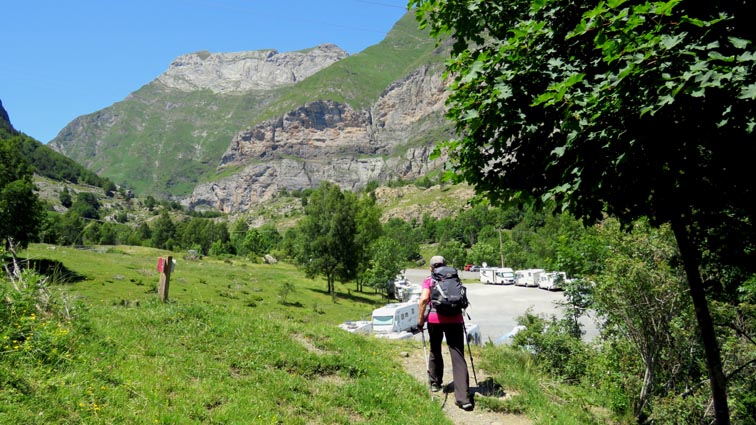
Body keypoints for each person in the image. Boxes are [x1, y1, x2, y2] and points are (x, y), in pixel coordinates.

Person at [417, 255, 473, 411]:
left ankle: (435, 383)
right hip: (455, 320)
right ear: (445, 265)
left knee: (435, 349)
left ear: (431, 267)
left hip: (435, 319)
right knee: (457, 356)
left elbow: (423, 300)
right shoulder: (454, 277)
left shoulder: (429, 280)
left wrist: (420, 321)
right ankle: (463, 398)